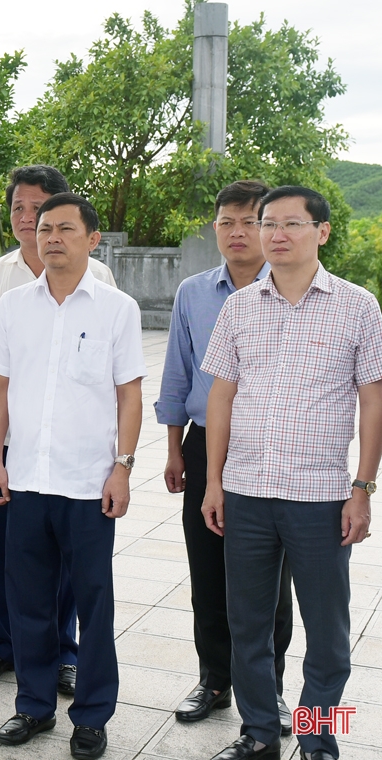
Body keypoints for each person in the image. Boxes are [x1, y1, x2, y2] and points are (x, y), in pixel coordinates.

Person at [201, 185, 381, 760]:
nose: (275, 235)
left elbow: (374, 403)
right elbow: (221, 399)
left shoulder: (359, 306)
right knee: (248, 625)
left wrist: (362, 488)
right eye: (267, 223)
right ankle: (257, 733)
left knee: (327, 633)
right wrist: (213, 482)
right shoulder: (238, 307)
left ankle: (319, 731)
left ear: (322, 232)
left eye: (291, 224)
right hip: (246, 492)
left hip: (321, 497)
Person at [0, 193, 145, 760]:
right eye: (44, 227)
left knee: (93, 600)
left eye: (64, 229)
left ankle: (92, 714)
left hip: (86, 483)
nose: (50, 236)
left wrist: (122, 468)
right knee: (27, 599)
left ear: (91, 239)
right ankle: (32, 706)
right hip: (26, 478)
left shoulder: (116, 309)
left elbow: (130, 395)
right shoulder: (12, 306)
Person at [0, 165, 115, 693]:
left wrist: (118, 457)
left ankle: (64, 651)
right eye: (19, 209)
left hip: (71, 450)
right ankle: (2, 645)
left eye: (39, 210)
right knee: (0, 546)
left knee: (71, 562)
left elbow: (116, 374)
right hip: (4, 443)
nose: (29, 219)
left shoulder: (98, 280)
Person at [154, 181, 294, 733]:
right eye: (226, 222)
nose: (236, 233)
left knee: (269, 579)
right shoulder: (194, 292)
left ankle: (271, 687)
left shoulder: (288, 287)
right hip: (201, 441)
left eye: (248, 222)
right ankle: (214, 678)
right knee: (207, 570)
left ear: (266, 228)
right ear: (215, 227)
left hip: (267, 445)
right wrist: (172, 449)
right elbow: (177, 373)